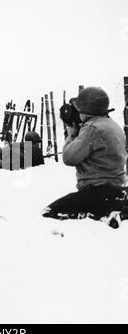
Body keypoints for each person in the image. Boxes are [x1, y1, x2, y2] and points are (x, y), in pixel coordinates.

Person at [42, 87, 128, 228]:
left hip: (98, 191)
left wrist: (71, 133)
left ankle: (103, 215)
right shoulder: (112, 125)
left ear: (87, 111)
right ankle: (116, 211)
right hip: (119, 189)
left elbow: (69, 158)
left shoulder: (91, 129)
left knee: (48, 213)